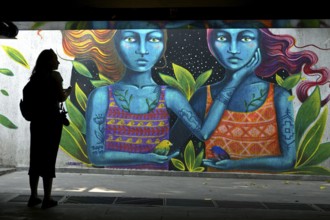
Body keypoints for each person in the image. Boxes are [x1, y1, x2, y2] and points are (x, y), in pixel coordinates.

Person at [170, 25, 330, 172]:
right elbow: (171, 145)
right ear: (212, 45)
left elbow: (288, 161)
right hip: (216, 189)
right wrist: (235, 81)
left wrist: (235, 165)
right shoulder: (204, 95)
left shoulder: (278, 95)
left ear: (260, 44)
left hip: (268, 190)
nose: (233, 49)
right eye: (222, 38)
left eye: (245, 38)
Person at [83, 22, 243, 170]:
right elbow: (96, 157)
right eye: (131, 38)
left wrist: (234, 81)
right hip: (114, 183)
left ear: (163, 46)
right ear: (116, 45)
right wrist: (147, 158)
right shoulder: (101, 96)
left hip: (158, 183)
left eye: (153, 39)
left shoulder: (171, 96)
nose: (143, 50)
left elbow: (204, 133)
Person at [27, 49, 72, 209]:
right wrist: (68, 91)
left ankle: (33, 196)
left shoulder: (34, 78)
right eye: (55, 60)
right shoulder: (54, 77)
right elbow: (61, 97)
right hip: (51, 123)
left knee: (35, 158)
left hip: (37, 123)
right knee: (48, 159)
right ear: (49, 62)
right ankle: (47, 198)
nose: (58, 63)